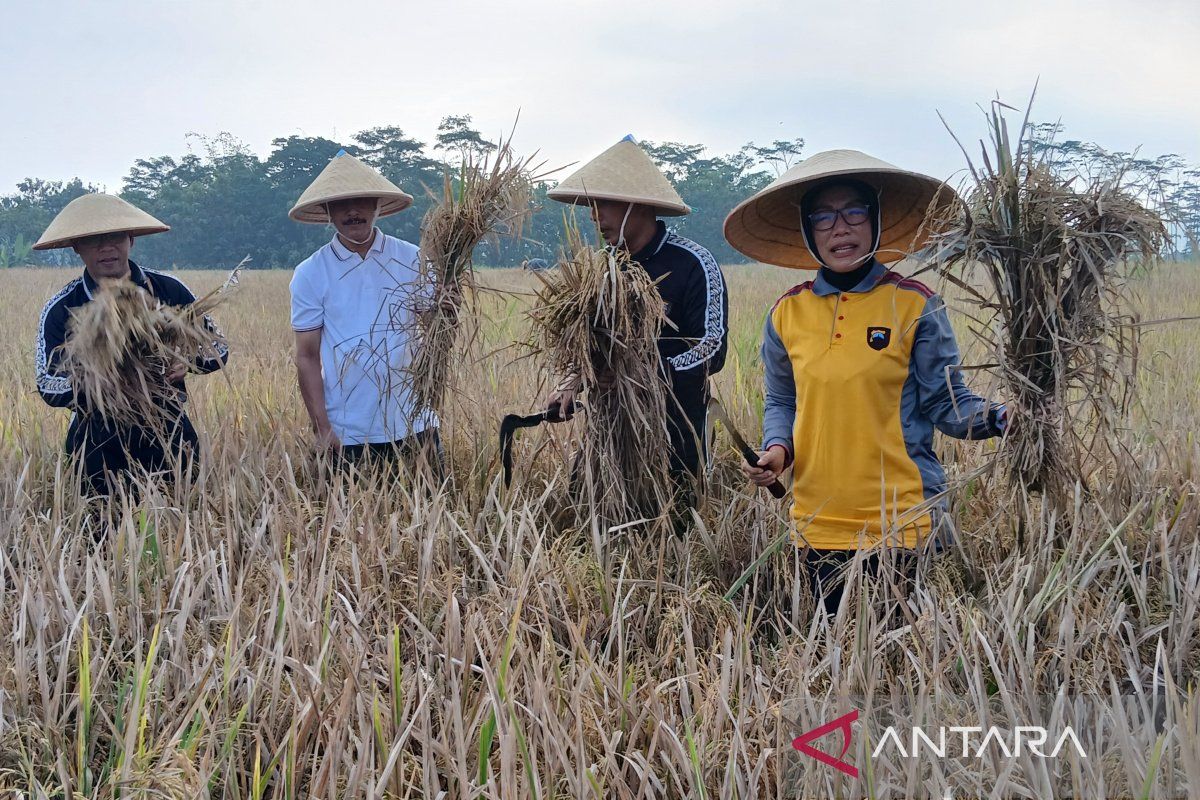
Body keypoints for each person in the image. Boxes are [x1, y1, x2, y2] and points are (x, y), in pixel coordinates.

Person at [724, 149, 1008, 613]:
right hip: (817, 520)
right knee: (829, 658)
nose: (841, 227)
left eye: (854, 212)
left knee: (900, 664)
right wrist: (776, 450)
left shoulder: (915, 304)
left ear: (875, 220)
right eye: (823, 217)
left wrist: (998, 417)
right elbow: (782, 399)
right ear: (807, 231)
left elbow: (946, 401)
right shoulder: (787, 313)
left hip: (903, 521)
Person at [545, 136, 729, 501]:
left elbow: (712, 349)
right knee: (594, 516)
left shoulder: (694, 263)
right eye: (592, 206)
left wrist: (636, 372)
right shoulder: (603, 269)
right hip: (611, 428)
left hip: (677, 429)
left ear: (639, 205)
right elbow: (594, 340)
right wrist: (573, 382)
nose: (595, 216)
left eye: (604, 204)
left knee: (675, 527)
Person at [35, 193, 228, 497]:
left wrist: (184, 359)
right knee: (101, 533)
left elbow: (218, 351)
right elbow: (47, 384)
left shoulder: (168, 289)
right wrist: (98, 378)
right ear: (76, 248)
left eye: (115, 236)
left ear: (131, 239)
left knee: (180, 526)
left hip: (169, 430)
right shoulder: (63, 307)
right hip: (96, 439)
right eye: (93, 240)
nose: (106, 247)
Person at [288, 150, 441, 475]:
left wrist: (450, 308)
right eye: (341, 203)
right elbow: (307, 356)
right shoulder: (311, 273)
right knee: (351, 524)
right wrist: (322, 428)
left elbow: (439, 331)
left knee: (429, 517)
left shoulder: (413, 259)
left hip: (415, 422)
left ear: (377, 206)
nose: (353, 211)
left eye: (361, 201)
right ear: (328, 211)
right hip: (350, 431)